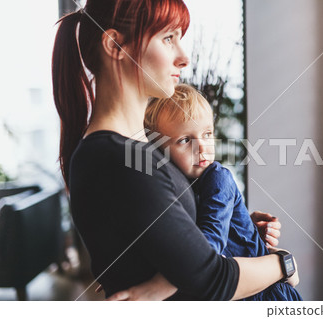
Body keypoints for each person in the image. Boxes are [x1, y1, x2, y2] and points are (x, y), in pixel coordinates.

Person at [52, 0, 298, 301]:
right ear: (115, 44)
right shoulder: (117, 159)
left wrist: (239, 228)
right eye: (168, 38)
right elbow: (211, 280)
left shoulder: (143, 149)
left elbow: (170, 241)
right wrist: (283, 263)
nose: (184, 57)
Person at [139, 84, 302, 300]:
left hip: (266, 295)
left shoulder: (217, 177)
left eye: (207, 134)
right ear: (160, 152)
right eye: (186, 140)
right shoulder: (178, 189)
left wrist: (157, 285)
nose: (202, 147)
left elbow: (208, 248)